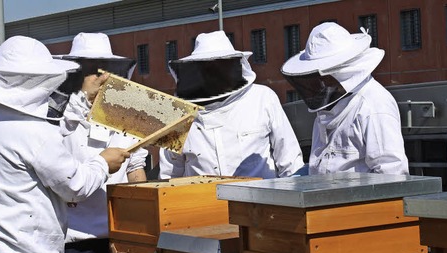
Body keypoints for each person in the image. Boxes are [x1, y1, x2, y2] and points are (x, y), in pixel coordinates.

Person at [0, 36, 130, 253]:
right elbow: (75, 186)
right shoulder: (33, 131)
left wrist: (81, 100)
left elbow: (39, 132)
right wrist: (103, 163)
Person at [158, 30, 304, 179]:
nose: (213, 76)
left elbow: (290, 161)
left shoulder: (263, 98)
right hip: (203, 201)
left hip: (261, 199)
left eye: (218, 68)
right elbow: (169, 177)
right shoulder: (177, 115)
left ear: (232, 66)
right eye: (206, 70)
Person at [58, 32, 149, 253]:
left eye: (104, 70)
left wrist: (140, 227)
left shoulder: (127, 113)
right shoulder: (59, 114)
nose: (99, 78)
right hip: (72, 241)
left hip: (118, 237)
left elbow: (136, 167)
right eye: (90, 71)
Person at [281, 22, 408, 175]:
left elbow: (391, 173)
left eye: (324, 77)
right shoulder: (330, 105)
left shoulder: (374, 105)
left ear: (341, 71)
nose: (321, 83)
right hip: (325, 197)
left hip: (359, 198)